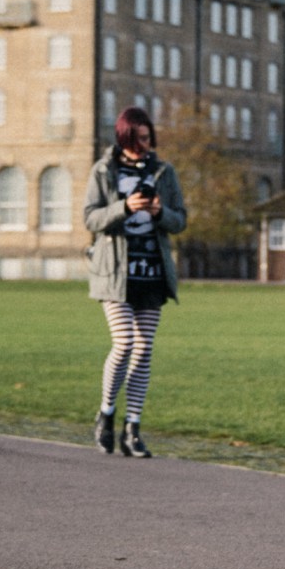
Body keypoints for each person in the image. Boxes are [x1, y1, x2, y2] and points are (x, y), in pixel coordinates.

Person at [84, 107, 186, 459]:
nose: (145, 144)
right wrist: (125, 208)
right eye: (138, 138)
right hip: (115, 274)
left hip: (152, 274)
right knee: (125, 342)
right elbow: (91, 218)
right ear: (124, 137)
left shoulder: (164, 172)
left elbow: (180, 221)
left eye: (148, 137)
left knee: (144, 349)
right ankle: (106, 413)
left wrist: (160, 214)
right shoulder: (103, 171)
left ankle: (133, 429)